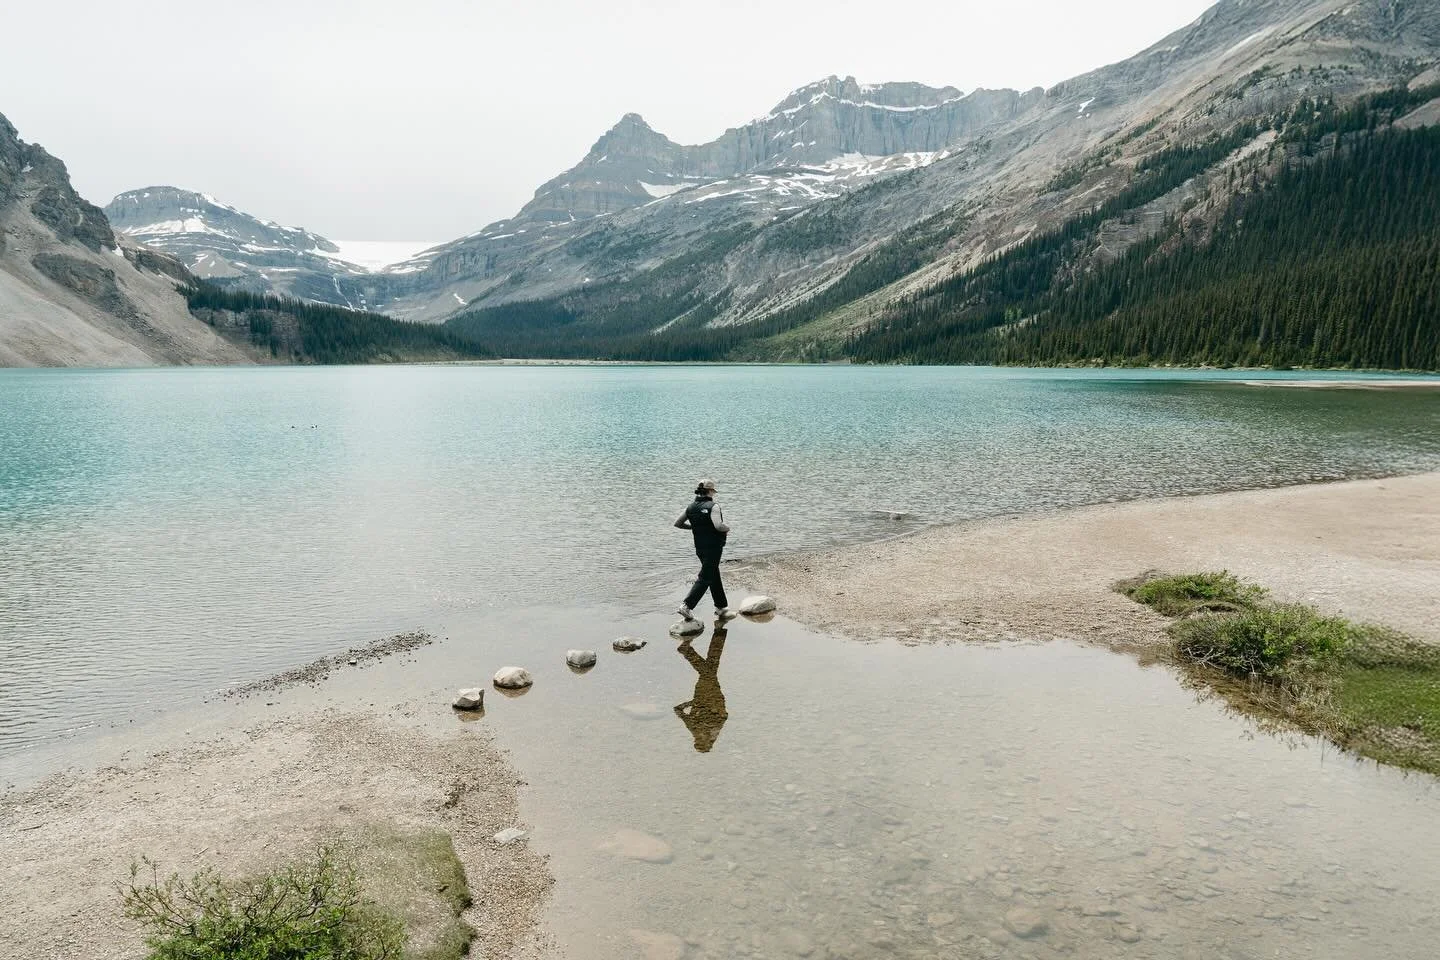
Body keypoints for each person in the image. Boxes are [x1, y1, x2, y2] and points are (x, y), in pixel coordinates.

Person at [673, 478, 734, 621]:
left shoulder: (690, 507)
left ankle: (721, 606)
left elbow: (677, 523)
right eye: (713, 491)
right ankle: (686, 606)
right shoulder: (713, 506)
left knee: (712, 573)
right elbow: (719, 526)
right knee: (705, 577)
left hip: (699, 547)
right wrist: (728, 528)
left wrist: (693, 527)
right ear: (710, 491)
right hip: (714, 547)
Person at [674, 624, 729, 753]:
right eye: (703, 742)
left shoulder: (694, 728)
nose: (701, 738)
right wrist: (695, 703)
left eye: (698, 741)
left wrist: (694, 702)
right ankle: (718, 631)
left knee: (710, 669)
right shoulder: (713, 731)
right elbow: (724, 715)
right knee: (712, 664)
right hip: (713, 694)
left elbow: (678, 710)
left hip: (705, 693)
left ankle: (688, 650)